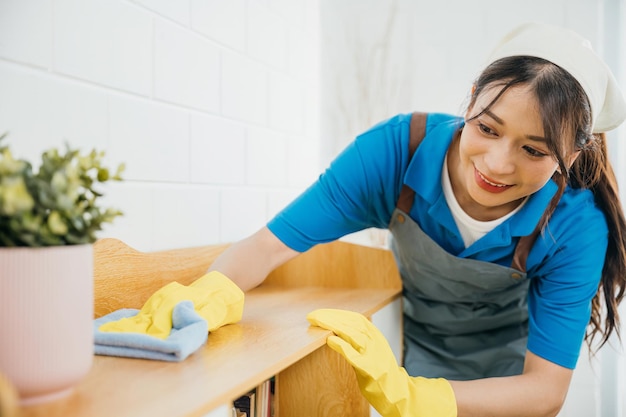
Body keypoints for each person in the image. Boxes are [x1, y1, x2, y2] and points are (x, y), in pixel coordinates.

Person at [104, 22, 626, 417]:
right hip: (416, 354)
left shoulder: (576, 226)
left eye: (533, 150)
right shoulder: (394, 154)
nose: (497, 164)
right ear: (469, 101)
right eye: (487, 129)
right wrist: (204, 296)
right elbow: (267, 247)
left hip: (504, 393)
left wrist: (416, 399)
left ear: (570, 157)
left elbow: (545, 390)